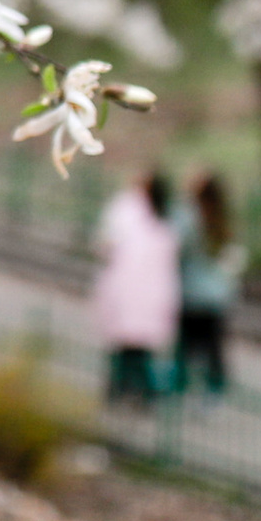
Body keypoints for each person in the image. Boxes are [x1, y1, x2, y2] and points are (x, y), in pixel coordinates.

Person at [93, 170, 178, 406]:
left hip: (132, 293)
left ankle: (126, 390)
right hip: (141, 294)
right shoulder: (161, 220)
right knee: (135, 349)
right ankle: (131, 391)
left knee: (129, 349)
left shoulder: (127, 211)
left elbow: (106, 244)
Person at [173, 170, 241, 395]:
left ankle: (184, 384)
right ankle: (214, 387)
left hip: (192, 293)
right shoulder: (222, 219)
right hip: (217, 294)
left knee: (187, 345)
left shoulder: (189, 217)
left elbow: (179, 246)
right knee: (213, 346)